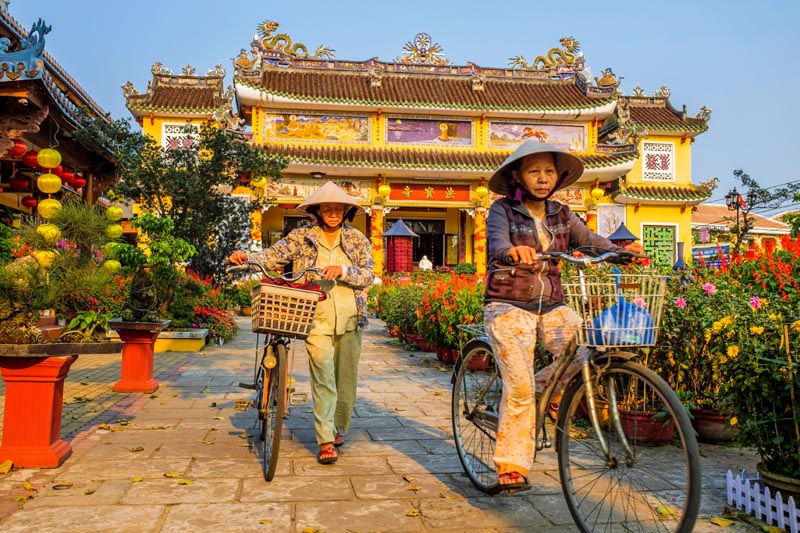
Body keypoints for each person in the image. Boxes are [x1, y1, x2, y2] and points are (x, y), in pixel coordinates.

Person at [483, 140, 643, 493]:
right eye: (534, 171)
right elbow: (496, 243)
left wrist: (620, 252)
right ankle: (512, 463)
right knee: (520, 387)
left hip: (552, 305)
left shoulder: (563, 213)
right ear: (517, 176)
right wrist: (512, 251)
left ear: (558, 177)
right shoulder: (502, 211)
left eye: (549, 171)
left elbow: (589, 241)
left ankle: (549, 390)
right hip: (507, 304)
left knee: (590, 348)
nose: (543, 178)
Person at [229, 181, 375, 465]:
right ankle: (325, 439)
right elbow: (271, 256)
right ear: (317, 211)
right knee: (322, 375)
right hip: (313, 314)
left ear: (346, 211)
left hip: (350, 315)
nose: (333, 212)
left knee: (345, 378)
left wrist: (343, 270)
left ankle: (337, 426)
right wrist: (247, 257)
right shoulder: (302, 237)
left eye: (338, 208)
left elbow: (368, 274)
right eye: (327, 207)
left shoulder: (357, 239)